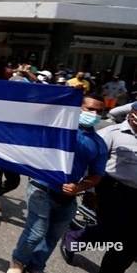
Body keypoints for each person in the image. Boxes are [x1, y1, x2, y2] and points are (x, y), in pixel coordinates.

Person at [7, 94, 108, 273]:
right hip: (41, 187)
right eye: (90, 109)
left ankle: (36, 266)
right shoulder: (59, 129)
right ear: (78, 108)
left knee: (52, 237)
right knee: (36, 232)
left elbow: (96, 175)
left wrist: (80, 187)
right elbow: (33, 117)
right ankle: (18, 262)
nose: (94, 114)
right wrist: (62, 98)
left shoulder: (99, 144)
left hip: (68, 196)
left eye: (99, 111)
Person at [60, 102, 137, 273]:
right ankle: (73, 239)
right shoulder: (111, 133)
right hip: (114, 189)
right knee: (110, 232)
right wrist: (88, 190)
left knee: (131, 243)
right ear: (132, 114)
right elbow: (93, 164)